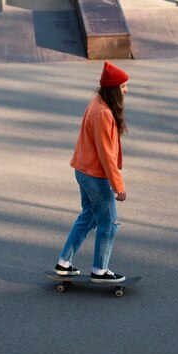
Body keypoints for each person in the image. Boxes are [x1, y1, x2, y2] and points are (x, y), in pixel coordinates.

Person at [54, 61, 129, 283]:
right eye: (123, 86)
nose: (126, 90)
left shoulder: (97, 102)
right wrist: (119, 185)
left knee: (88, 217)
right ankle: (100, 270)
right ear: (114, 88)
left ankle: (64, 263)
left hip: (84, 171)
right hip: (96, 176)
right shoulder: (103, 113)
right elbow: (106, 154)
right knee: (108, 222)